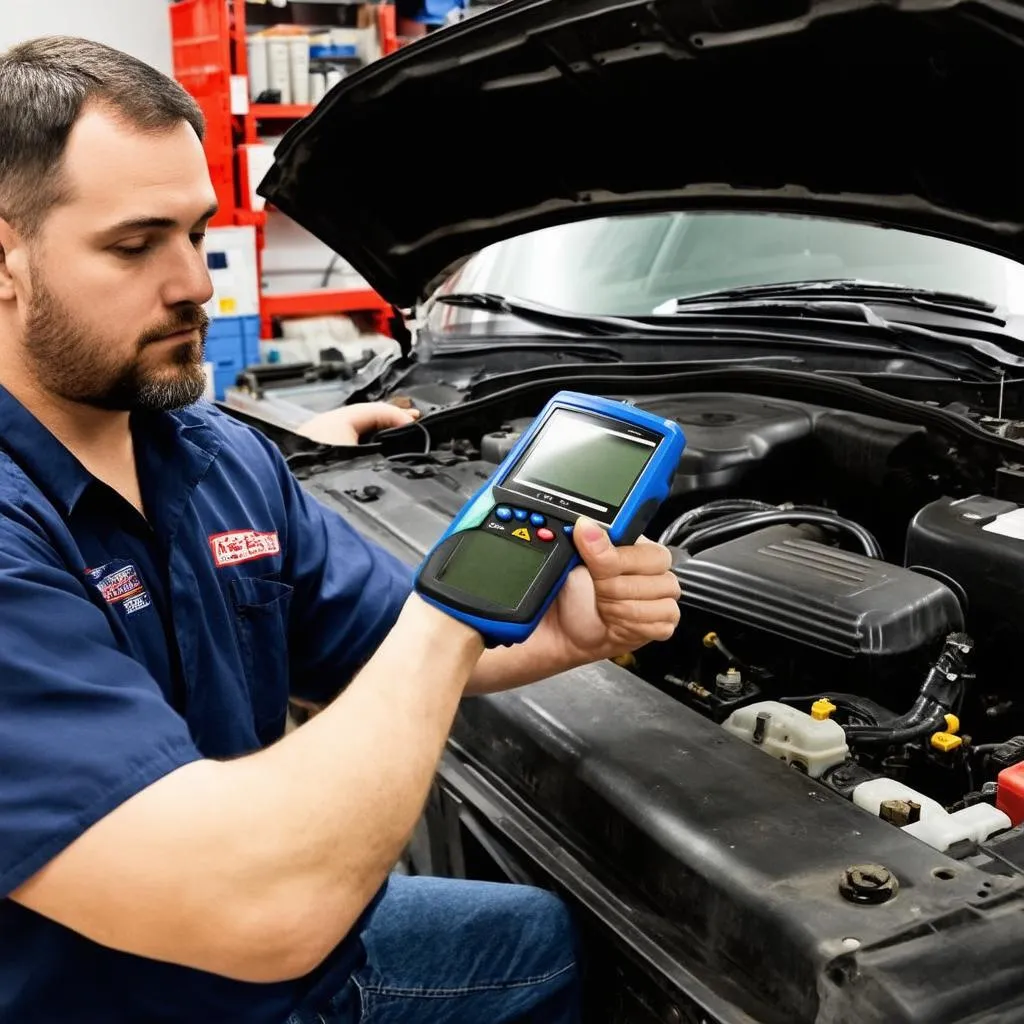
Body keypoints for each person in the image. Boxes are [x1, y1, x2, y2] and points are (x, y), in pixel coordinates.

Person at [0, 36, 683, 1024]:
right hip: (133, 994)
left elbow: (384, 642)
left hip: (306, 972)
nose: (196, 281)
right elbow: (259, 905)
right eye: (135, 243)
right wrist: (461, 611)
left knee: (537, 942)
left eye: (197, 233)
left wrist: (554, 632)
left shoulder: (216, 457)